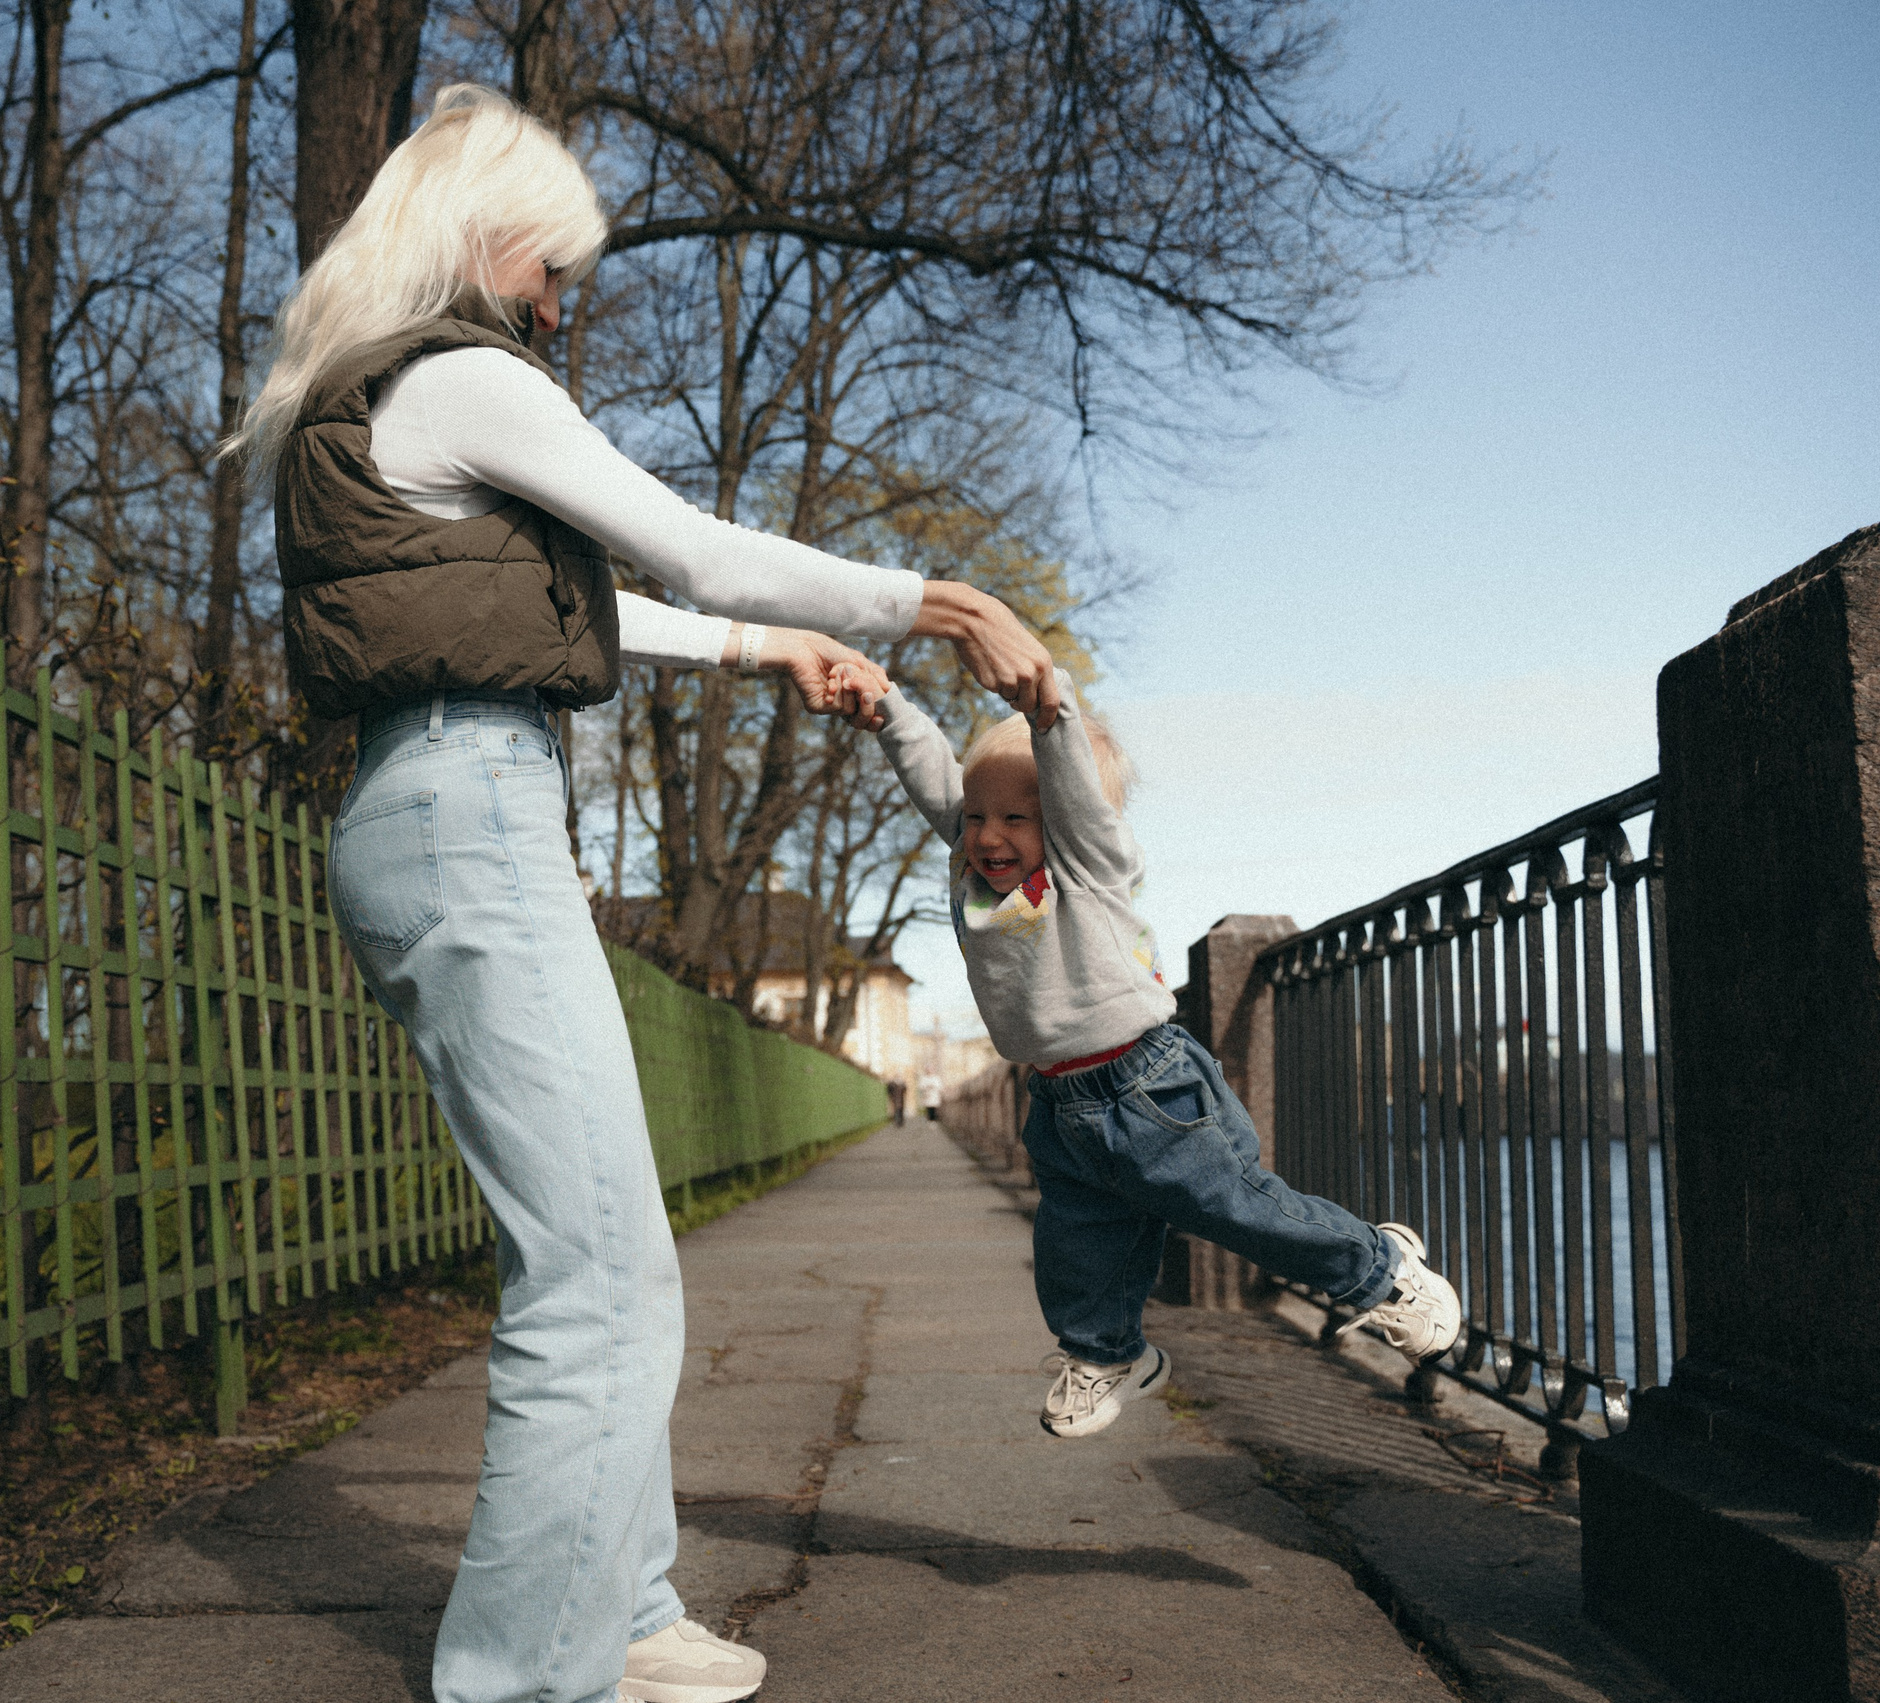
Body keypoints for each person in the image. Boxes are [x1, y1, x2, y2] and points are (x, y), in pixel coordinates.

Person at [226, 84, 1058, 1703]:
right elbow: (682, 547)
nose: (563, 302)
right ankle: (527, 1674)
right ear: (490, 239)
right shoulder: (463, 370)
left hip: (425, 805)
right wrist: (926, 601)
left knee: (607, 1259)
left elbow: (581, 593)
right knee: (597, 1277)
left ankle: (623, 1611)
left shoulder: (368, 401)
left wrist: (772, 646)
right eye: (559, 269)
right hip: (471, 807)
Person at [867, 671, 1463, 1439]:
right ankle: (1109, 1354)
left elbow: (1073, 795)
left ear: (1065, 821)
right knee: (1076, 1244)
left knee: (1232, 1206)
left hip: (1146, 1086)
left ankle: (1382, 1270)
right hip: (1058, 1100)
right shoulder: (981, 871)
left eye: (1016, 817)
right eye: (977, 817)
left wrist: (1052, 718)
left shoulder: (1085, 867)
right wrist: (884, 706)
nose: (987, 834)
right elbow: (937, 780)